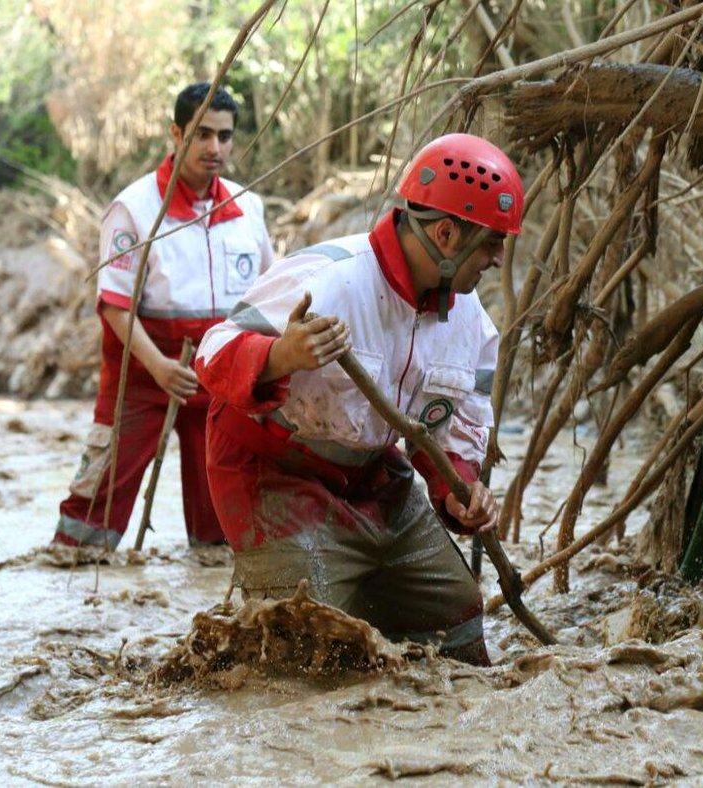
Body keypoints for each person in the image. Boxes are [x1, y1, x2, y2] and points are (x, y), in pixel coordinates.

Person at [195, 133, 523, 665]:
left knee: (457, 613)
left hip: (371, 476)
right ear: (445, 234)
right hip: (272, 473)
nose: (498, 257)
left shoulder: (472, 327)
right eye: (490, 243)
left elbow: (450, 435)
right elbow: (213, 352)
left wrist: (459, 491)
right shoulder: (327, 278)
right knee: (311, 639)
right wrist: (282, 355)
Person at [52, 83, 274, 549]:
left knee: (220, 526)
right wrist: (159, 368)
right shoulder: (134, 209)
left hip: (218, 378)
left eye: (225, 136)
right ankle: (72, 575)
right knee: (91, 519)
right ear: (177, 133)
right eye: (203, 134)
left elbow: (269, 294)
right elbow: (114, 304)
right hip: (142, 373)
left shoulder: (248, 208)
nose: (215, 148)